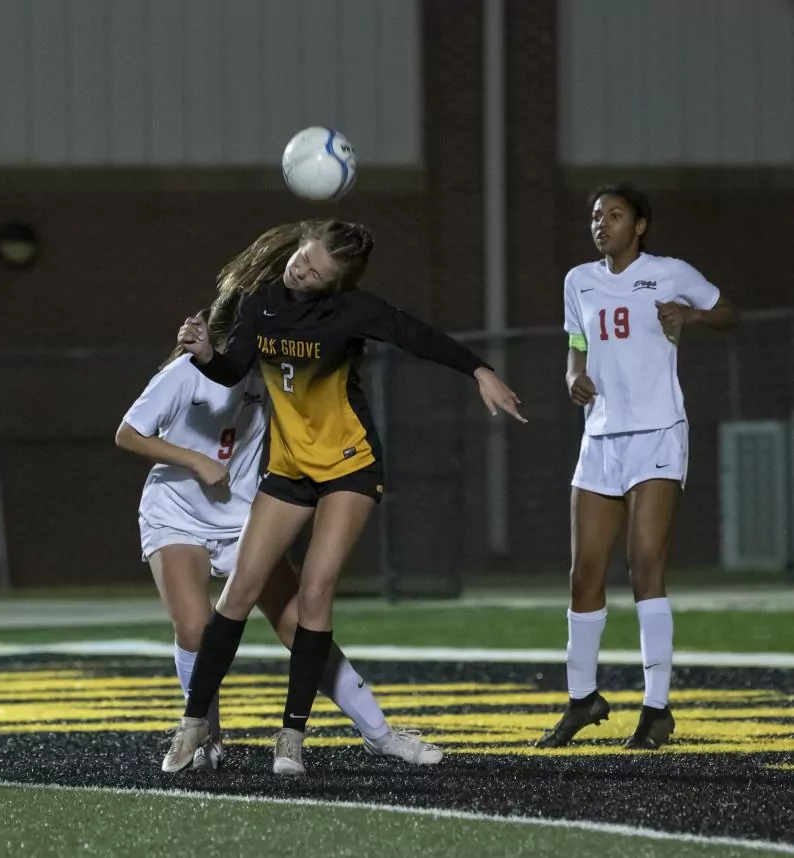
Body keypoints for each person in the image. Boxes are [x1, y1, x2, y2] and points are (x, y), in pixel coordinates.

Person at [163, 219, 527, 775]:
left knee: (315, 591)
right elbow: (233, 370)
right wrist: (206, 352)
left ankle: (291, 737)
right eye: (302, 258)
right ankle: (192, 725)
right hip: (289, 468)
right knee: (237, 594)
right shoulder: (261, 303)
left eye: (315, 273)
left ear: (333, 285)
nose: (300, 271)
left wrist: (480, 370)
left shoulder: (353, 311)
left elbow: (417, 335)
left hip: (349, 466)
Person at [116, 301, 443, 771]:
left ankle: (380, 734)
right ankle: (204, 735)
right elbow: (128, 434)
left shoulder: (270, 377)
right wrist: (196, 460)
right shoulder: (184, 373)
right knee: (194, 625)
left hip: (244, 518)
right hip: (176, 514)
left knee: (300, 627)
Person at [536, 184, 737, 751]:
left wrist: (691, 316)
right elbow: (577, 341)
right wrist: (572, 375)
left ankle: (656, 710)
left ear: (640, 225)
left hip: (657, 432)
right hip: (600, 436)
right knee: (583, 575)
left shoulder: (668, 273)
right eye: (596, 215)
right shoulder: (578, 280)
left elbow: (729, 313)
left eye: (615, 215)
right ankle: (582, 700)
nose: (602, 223)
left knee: (645, 566)